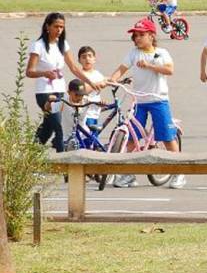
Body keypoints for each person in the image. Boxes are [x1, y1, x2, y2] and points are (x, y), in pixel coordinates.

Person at [109, 18, 185, 189]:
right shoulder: (133, 53)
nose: (137, 38)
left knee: (166, 137)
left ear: (151, 36)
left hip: (158, 100)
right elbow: (121, 69)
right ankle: (128, 174)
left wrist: (150, 65)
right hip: (139, 101)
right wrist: (112, 80)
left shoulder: (161, 53)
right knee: (131, 138)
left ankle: (179, 173)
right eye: (135, 35)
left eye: (141, 35)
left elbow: (169, 70)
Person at [26, 13, 104, 152]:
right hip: (44, 92)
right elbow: (29, 71)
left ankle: (31, 157)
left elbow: (73, 67)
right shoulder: (38, 46)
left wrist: (91, 82)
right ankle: (65, 167)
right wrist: (44, 73)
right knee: (59, 126)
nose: (59, 30)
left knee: (48, 127)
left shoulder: (63, 44)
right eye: (56, 26)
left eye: (62, 27)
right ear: (47, 26)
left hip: (60, 90)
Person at [76, 46, 106, 133]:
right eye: (84, 57)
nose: (87, 59)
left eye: (90, 56)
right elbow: (82, 91)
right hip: (85, 113)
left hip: (95, 113)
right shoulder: (81, 75)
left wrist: (122, 80)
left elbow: (107, 80)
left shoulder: (97, 74)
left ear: (94, 59)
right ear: (79, 60)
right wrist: (98, 84)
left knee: (93, 138)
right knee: (87, 139)